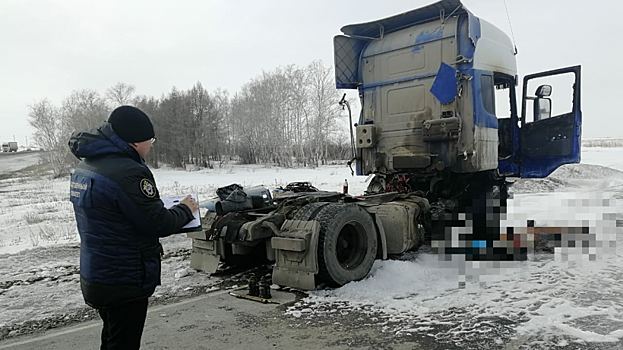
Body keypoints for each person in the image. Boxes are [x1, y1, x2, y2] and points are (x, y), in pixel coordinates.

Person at [68, 105, 199, 350]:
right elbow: (158, 223)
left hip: (97, 271)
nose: (151, 146)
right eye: (150, 141)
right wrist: (185, 208)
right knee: (123, 343)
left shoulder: (87, 165)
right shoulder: (129, 172)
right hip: (124, 277)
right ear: (136, 142)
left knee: (112, 337)